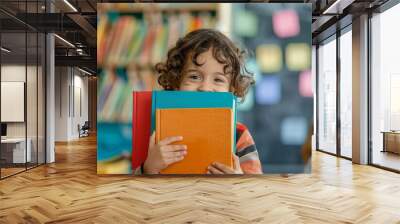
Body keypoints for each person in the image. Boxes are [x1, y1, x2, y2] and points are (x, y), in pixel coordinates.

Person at [138, 29, 262, 174]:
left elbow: (255, 189)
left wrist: (238, 180)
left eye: (218, 79)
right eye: (194, 77)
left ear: (231, 90)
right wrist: (148, 169)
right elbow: (131, 190)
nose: (205, 88)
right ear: (176, 82)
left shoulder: (240, 134)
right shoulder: (156, 131)